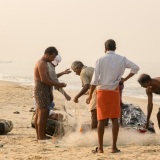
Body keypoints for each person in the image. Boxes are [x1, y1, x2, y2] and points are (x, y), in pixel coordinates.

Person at [86, 39, 139, 153]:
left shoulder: (100, 59)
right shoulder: (122, 59)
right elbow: (135, 68)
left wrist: (90, 96)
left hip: (101, 92)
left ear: (105, 48)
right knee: (114, 119)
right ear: (115, 48)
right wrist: (124, 79)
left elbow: (94, 80)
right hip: (114, 92)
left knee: (101, 120)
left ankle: (100, 148)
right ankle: (113, 147)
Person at [34, 46, 66, 140]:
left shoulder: (44, 63)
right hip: (41, 90)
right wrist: (58, 84)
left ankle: (40, 136)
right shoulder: (42, 63)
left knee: (40, 114)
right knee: (42, 114)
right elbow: (44, 80)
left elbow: (48, 78)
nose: (53, 59)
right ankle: (41, 136)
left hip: (44, 90)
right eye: (52, 57)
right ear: (47, 54)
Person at [71, 61, 98, 129]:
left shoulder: (83, 73)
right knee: (102, 113)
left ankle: (93, 132)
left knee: (94, 112)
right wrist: (88, 92)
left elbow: (86, 86)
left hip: (97, 91)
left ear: (77, 68)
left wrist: (76, 97)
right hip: (104, 90)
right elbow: (93, 82)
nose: (76, 73)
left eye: (75, 71)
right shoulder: (91, 68)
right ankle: (104, 129)